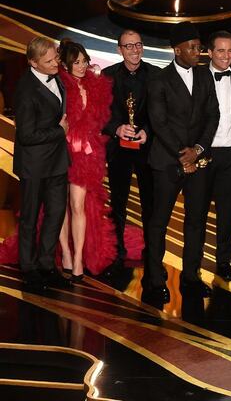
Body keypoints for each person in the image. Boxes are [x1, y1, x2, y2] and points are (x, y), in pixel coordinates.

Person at [144, 22, 220, 306]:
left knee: (196, 221)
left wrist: (198, 150)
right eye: (191, 47)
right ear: (176, 49)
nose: (197, 52)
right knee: (159, 222)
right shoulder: (159, 80)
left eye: (198, 46)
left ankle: (191, 277)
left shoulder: (205, 76)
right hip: (167, 160)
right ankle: (154, 280)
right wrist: (182, 153)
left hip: (198, 161)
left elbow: (213, 115)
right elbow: (159, 122)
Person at [4, 37, 71, 291]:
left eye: (55, 57)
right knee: (30, 218)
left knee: (55, 214)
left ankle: (46, 264)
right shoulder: (25, 90)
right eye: (50, 61)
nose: (56, 63)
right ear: (33, 62)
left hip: (57, 162)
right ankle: (28, 267)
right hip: (34, 164)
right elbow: (26, 135)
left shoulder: (56, 77)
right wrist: (59, 131)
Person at [185, 31, 231, 282]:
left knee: (227, 212)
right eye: (221, 51)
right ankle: (193, 266)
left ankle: (224, 261)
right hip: (204, 152)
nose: (226, 56)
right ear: (209, 53)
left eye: (230, 50)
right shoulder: (197, 75)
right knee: (197, 213)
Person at [56, 40, 117, 280]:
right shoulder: (59, 85)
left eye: (84, 61)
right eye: (76, 62)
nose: (81, 66)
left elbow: (101, 119)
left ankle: (79, 256)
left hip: (86, 155)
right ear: (65, 64)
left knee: (78, 205)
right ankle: (66, 254)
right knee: (61, 206)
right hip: (61, 152)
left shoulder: (96, 86)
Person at [102, 29, 158, 272]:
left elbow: (163, 112)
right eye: (128, 46)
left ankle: (152, 253)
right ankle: (117, 253)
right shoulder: (106, 76)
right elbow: (99, 115)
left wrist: (147, 130)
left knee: (151, 204)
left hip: (147, 148)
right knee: (118, 203)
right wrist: (116, 128)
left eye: (138, 45)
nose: (134, 50)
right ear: (119, 50)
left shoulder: (157, 75)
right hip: (118, 150)